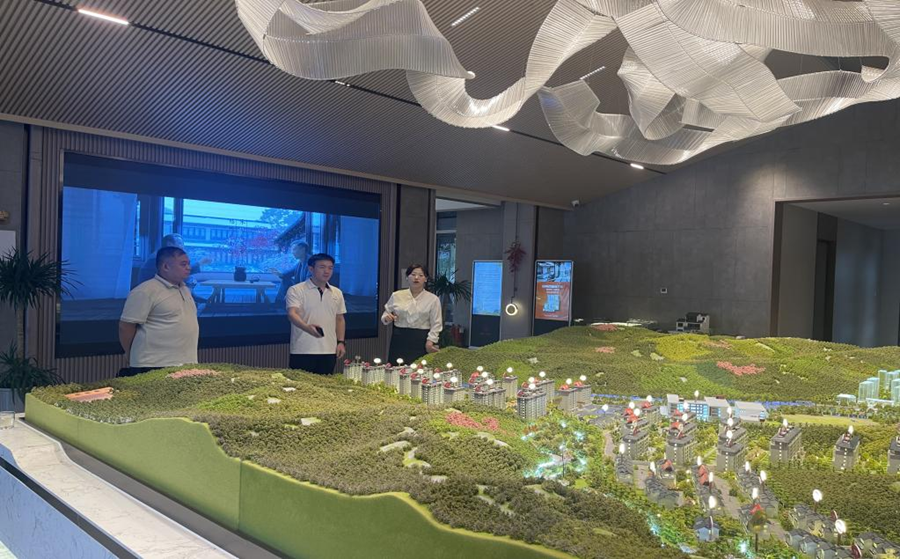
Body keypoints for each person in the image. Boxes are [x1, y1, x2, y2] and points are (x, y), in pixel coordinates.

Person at [118, 246, 200, 377]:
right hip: (152, 364)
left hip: (186, 363)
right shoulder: (145, 291)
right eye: (183, 264)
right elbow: (126, 327)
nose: (188, 268)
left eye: (188, 264)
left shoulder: (184, 289)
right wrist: (130, 353)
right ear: (166, 267)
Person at [285, 253, 346, 374]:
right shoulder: (296, 290)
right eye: (322, 267)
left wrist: (341, 342)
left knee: (326, 384)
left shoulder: (337, 292)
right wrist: (307, 328)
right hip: (303, 350)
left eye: (330, 268)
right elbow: (292, 314)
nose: (327, 271)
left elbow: (339, 319)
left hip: (329, 350)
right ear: (311, 269)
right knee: (300, 384)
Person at [382, 264, 442, 364]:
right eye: (413, 274)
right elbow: (386, 313)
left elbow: (436, 323)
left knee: (419, 369)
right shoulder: (397, 295)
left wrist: (430, 341)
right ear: (407, 277)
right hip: (399, 338)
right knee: (396, 368)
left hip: (421, 338)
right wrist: (386, 318)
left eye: (421, 275)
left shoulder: (433, 299)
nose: (416, 278)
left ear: (425, 279)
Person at [136, 233, 209, 285]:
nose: (182, 247)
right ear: (169, 244)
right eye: (180, 243)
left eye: (182, 244)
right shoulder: (157, 258)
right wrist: (200, 263)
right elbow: (178, 272)